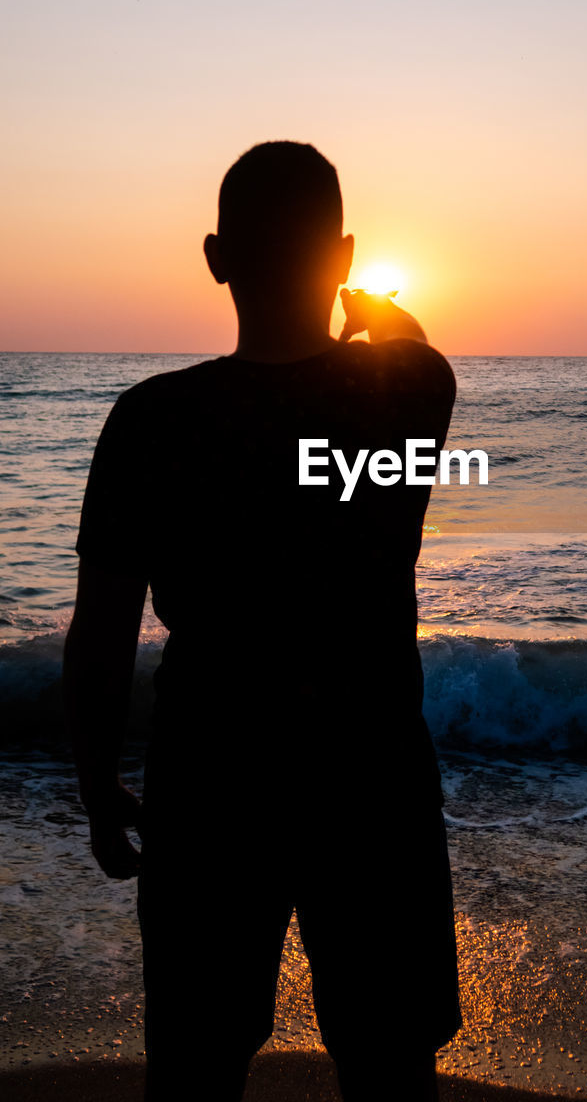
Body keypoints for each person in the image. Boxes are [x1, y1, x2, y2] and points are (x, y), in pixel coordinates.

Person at [62, 141, 462, 1100]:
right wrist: (365, 305)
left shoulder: (151, 423)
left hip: (211, 775)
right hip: (371, 773)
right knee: (391, 1063)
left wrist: (93, 774)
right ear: (344, 255)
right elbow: (403, 342)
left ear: (215, 256)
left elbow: (103, 629)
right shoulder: (409, 397)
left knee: (196, 1066)